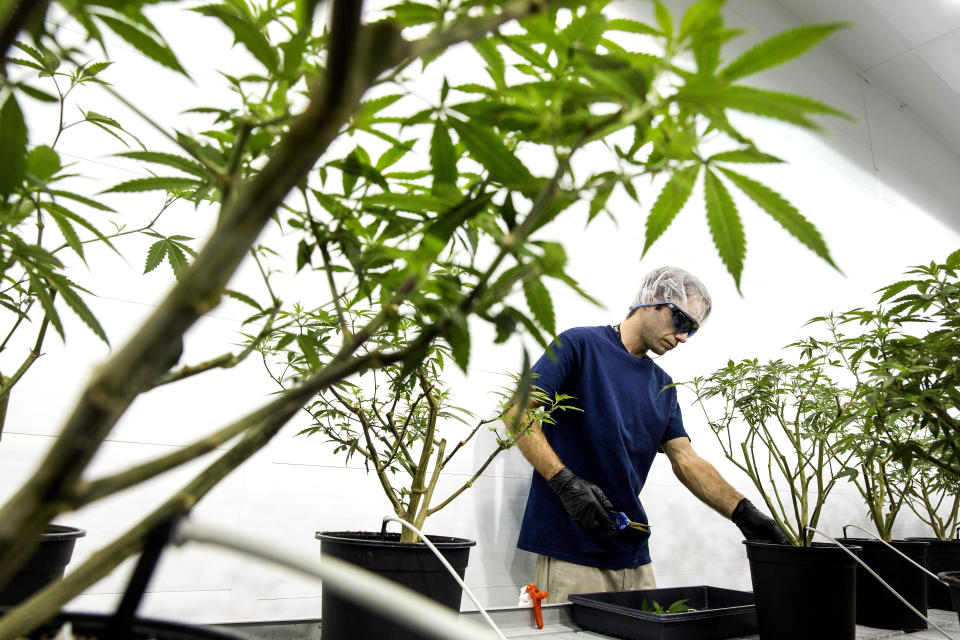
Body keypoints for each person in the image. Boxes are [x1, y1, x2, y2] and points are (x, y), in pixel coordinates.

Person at [506, 266, 790, 604]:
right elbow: (517, 411)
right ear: (652, 299)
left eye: (692, 331)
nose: (683, 338)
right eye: (681, 322)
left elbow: (685, 459)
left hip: (633, 554)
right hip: (573, 548)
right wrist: (564, 482)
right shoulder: (581, 344)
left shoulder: (663, 386)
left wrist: (742, 512)